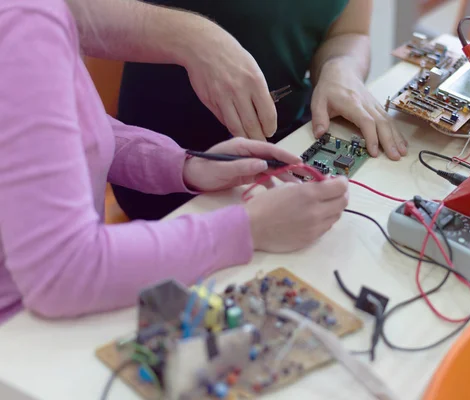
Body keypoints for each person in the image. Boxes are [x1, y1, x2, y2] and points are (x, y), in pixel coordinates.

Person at [0, 0, 349, 324]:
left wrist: (184, 166)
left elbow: (73, 129)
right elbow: (66, 273)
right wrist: (249, 228)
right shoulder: (24, 22)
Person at [67, 0, 408, 220]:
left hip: (290, 149)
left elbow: (349, 32)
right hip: (171, 174)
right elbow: (64, 9)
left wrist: (340, 65)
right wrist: (191, 37)